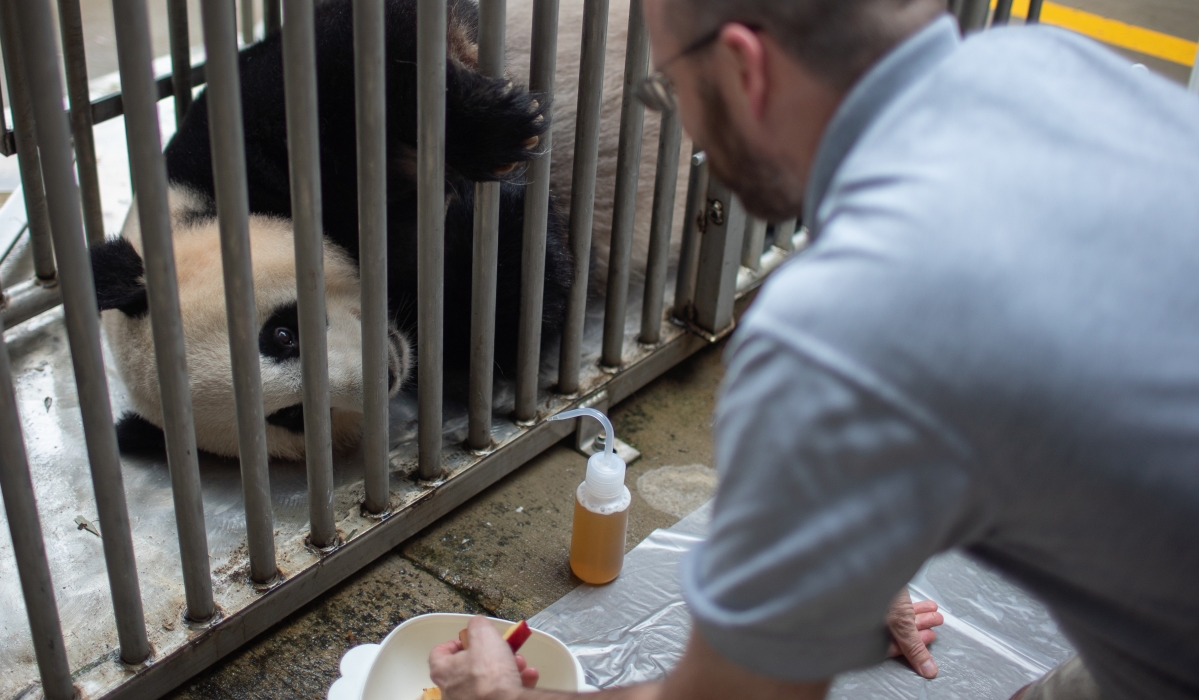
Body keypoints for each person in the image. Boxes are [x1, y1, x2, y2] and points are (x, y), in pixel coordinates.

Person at [428, 0, 1199, 698]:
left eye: (671, 91)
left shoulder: (837, 326)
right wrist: (857, 524)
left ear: (742, 67)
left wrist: (507, 699)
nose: (686, 127)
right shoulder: (1052, 68)